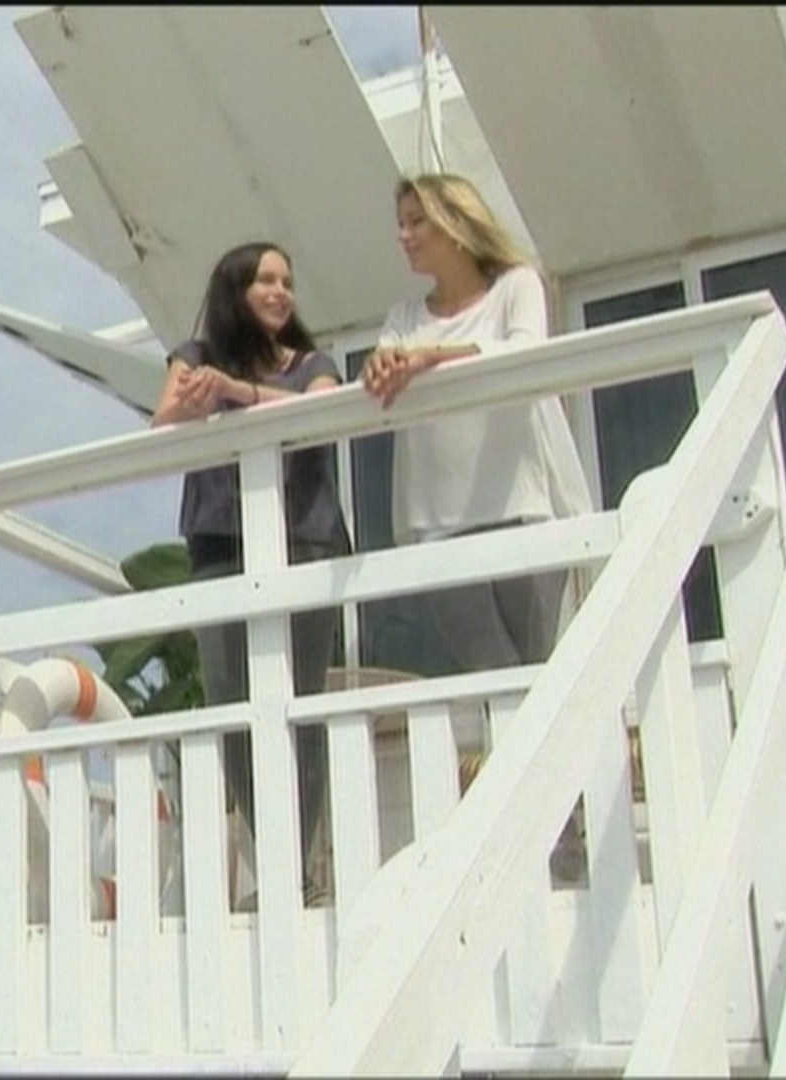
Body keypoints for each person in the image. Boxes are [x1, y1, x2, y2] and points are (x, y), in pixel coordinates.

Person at [151, 240, 352, 906]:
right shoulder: (195, 354)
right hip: (219, 543)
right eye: (265, 280)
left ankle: (295, 873)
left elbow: (319, 411)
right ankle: (283, 866)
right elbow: (163, 423)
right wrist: (198, 395)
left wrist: (235, 393)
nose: (280, 292)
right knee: (232, 704)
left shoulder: (314, 362)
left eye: (287, 281)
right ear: (235, 290)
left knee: (301, 703)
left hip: (305, 539)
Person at [359, 173, 592, 673]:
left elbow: (524, 351)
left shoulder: (516, 285)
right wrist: (381, 365)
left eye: (416, 222)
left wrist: (433, 357)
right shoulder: (403, 317)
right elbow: (383, 368)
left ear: (455, 224)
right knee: (488, 671)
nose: (404, 235)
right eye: (401, 224)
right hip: (439, 520)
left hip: (525, 504)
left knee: (534, 667)